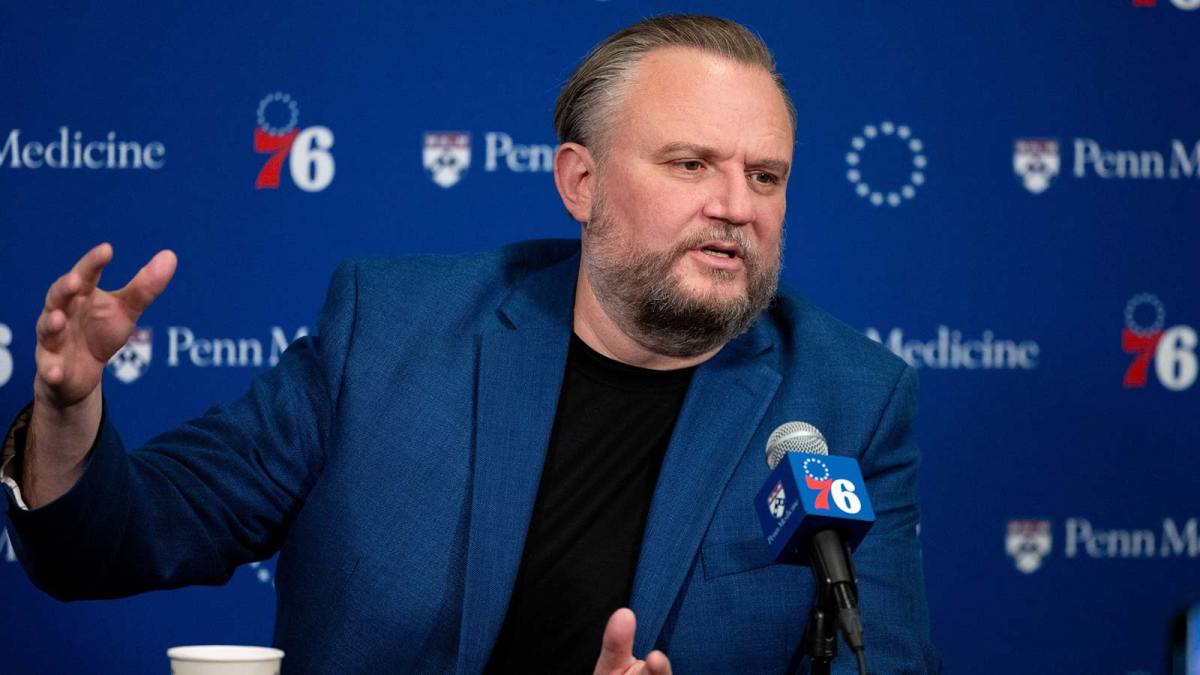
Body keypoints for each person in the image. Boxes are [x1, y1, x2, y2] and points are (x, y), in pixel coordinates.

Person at [3, 15, 938, 674]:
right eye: (690, 163)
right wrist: (67, 411)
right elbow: (120, 541)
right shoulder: (391, 330)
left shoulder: (846, 396)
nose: (736, 205)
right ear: (581, 181)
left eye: (765, 175)